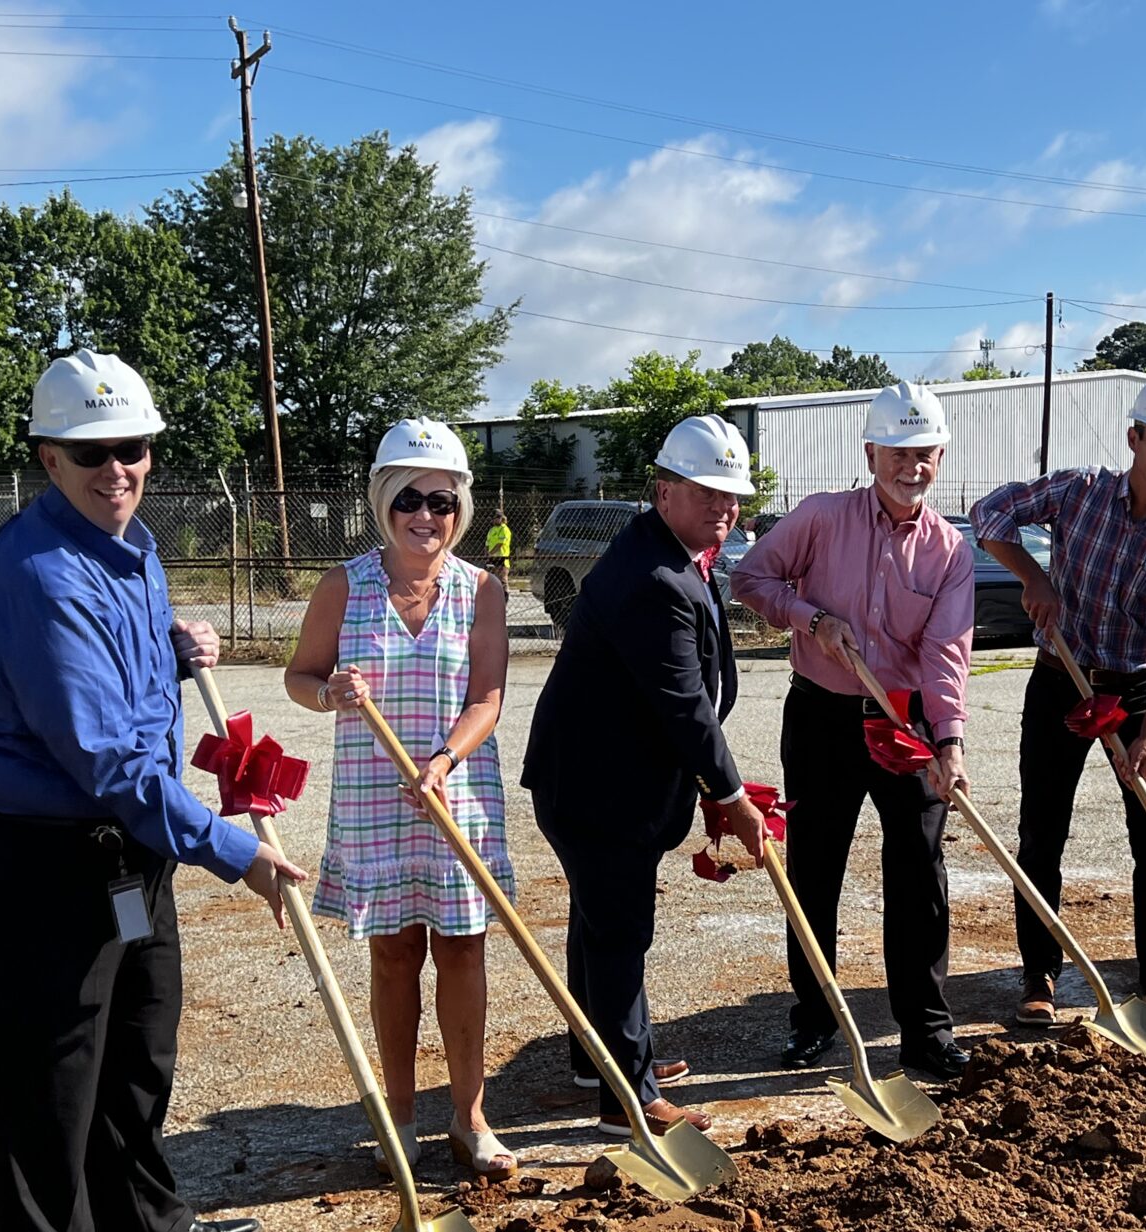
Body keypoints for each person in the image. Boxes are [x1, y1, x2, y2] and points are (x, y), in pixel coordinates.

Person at [0, 349, 304, 1232]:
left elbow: (113, 672)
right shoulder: (36, 575)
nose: (114, 468)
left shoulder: (128, 545)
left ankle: (141, 1223)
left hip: (110, 845)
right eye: (89, 452)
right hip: (6, 859)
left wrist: (170, 641)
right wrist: (234, 851)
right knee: (46, 1073)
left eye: (130, 448)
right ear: (47, 457)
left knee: (137, 1037)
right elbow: (105, 760)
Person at [521, 415, 767, 1137]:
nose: (725, 509)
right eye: (708, 494)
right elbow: (685, 706)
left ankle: (594, 1059)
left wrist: (710, 787)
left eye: (732, 496)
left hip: (602, 778)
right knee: (619, 933)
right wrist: (730, 795)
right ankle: (625, 1097)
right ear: (664, 491)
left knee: (598, 924)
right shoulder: (655, 575)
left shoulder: (672, 551)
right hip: (599, 789)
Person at [285, 418, 516, 1179]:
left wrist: (447, 760)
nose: (427, 515)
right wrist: (331, 694)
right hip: (376, 795)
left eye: (442, 501)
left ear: (461, 508)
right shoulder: (343, 586)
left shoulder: (482, 591)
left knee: (463, 950)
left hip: (454, 791)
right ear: (384, 500)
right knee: (393, 956)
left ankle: (469, 1118)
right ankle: (403, 1120)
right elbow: (301, 677)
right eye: (411, 498)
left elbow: (487, 697)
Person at [732, 382, 976, 1080]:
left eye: (925, 453)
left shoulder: (949, 551)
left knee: (920, 872)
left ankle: (926, 1032)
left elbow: (946, 654)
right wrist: (810, 618)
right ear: (871, 451)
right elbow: (750, 578)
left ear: (940, 456)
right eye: (897, 452)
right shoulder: (820, 518)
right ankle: (814, 1019)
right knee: (815, 871)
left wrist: (949, 741)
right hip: (822, 715)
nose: (912, 466)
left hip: (906, 720)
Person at [974, 372, 1146, 1031]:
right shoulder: (1079, 491)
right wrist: (1034, 576)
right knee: (1042, 830)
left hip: (1140, 690)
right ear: (1134, 436)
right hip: (1062, 676)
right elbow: (989, 515)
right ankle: (1039, 976)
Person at [483, 508, 512, 579]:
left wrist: (490, 553)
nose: (493, 520)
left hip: (502, 558)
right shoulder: (491, 530)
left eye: (495, 518)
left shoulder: (504, 529)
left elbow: (500, 544)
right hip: (492, 558)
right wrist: (486, 554)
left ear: (500, 518)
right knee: (491, 579)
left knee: (502, 579)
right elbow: (487, 544)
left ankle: (504, 590)